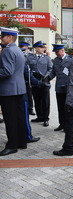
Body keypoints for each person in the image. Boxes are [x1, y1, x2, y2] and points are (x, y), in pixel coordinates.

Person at [0, 27, 27, 156]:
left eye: (3, 36)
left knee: (10, 119)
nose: (1, 38)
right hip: (19, 89)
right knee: (19, 117)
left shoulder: (7, 51)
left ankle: (12, 145)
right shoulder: (17, 50)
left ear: (10, 37)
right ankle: (21, 141)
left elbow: (7, 71)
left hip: (8, 90)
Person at [49, 44, 73, 132]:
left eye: (57, 52)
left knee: (67, 108)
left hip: (67, 88)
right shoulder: (55, 61)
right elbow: (53, 72)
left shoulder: (71, 60)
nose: (56, 54)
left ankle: (68, 126)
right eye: (55, 52)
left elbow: (72, 74)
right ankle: (62, 124)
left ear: (63, 50)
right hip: (59, 88)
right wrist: (47, 78)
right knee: (60, 107)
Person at [26, 41, 52, 127]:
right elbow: (27, 69)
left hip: (44, 83)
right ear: (36, 48)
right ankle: (39, 116)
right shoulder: (30, 58)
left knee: (45, 101)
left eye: (43, 47)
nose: (43, 49)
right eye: (41, 47)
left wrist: (46, 77)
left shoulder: (47, 58)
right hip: (34, 83)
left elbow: (50, 69)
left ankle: (46, 118)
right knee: (37, 100)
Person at [19, 41, 35, 116]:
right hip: (20, 77)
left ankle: (30, 108)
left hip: (27, 78)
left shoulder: (30, 55)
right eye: (23, 47)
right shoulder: (18, 54)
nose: (25, 49)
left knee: (29, 94)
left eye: (25, 48)